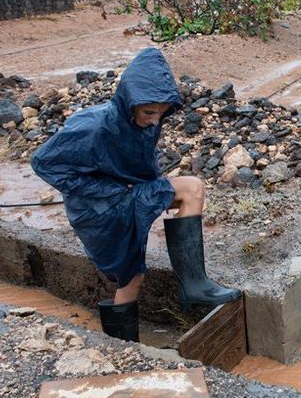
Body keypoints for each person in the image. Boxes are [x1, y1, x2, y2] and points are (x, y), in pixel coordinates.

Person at [32, 48, 240, 342]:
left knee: (137, 272)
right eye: (149, 112)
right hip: (98, 209)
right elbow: (43, 163)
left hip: (124, 196)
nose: (155, 120)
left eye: (161, 113)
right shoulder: (93, 126)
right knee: (136, 272)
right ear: (130, 103)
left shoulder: (144, 120)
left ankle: (181, 296)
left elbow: (140, 163)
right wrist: (109, 189)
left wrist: (149, 186)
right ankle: (140, 333)